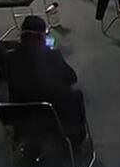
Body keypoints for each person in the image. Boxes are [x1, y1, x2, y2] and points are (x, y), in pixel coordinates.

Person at [6, 15, 87, 147]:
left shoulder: (10, 57)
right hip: (51, 118)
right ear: (42, 37)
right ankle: (76, 140)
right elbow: (72, 78)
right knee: (76, 95)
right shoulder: (52, 55)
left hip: (22, 120)